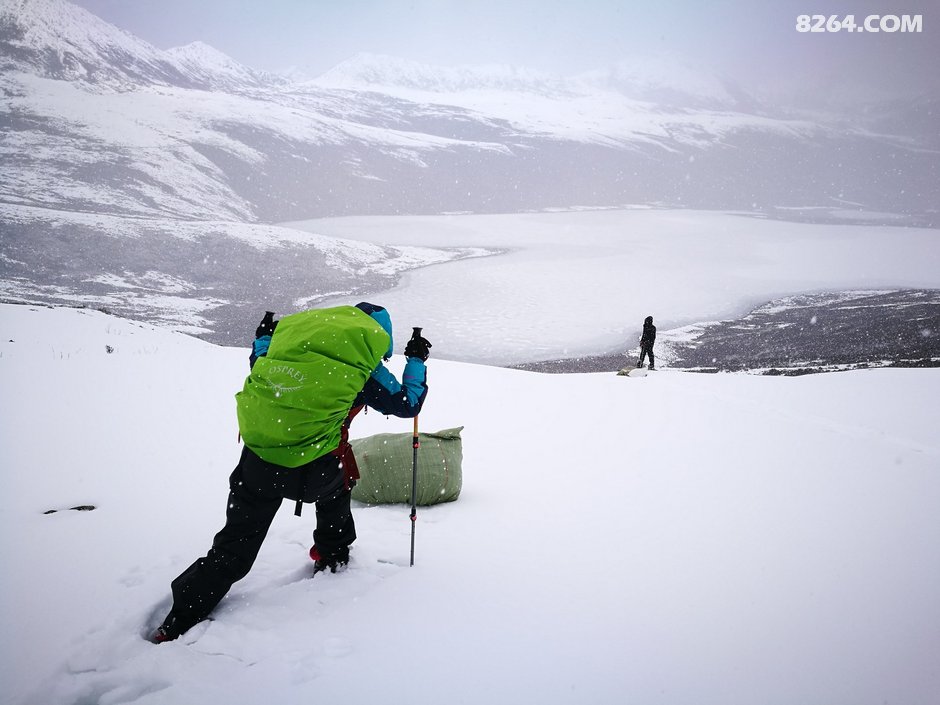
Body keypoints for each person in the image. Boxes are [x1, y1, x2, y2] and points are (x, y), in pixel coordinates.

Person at [152, 302, 430, 643]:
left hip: (258, 459)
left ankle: (180, 618)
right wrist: (415, 361)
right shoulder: (359, 364)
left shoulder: (293, 347)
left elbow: (259, 362)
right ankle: (332, 556)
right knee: (338, 488)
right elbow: (406, 403)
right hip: (314, 468)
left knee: (235, 544)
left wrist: (263, 339)